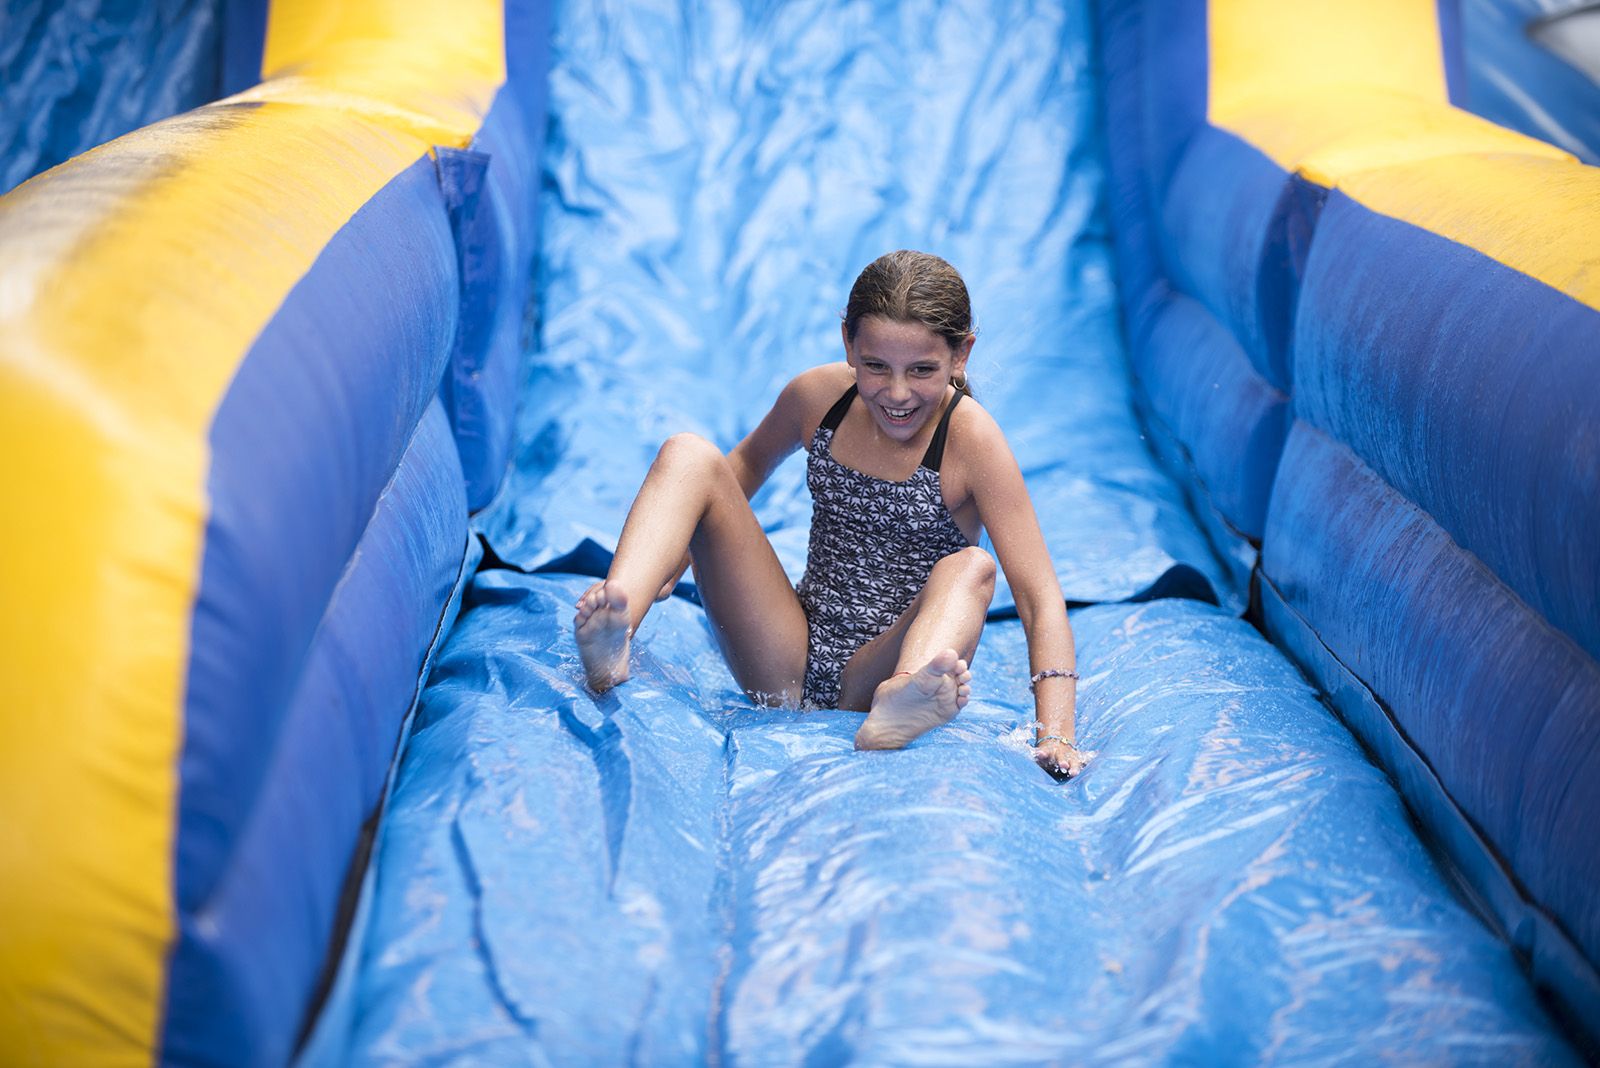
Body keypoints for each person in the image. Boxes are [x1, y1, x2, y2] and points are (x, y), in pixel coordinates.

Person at [573, 250, 1085, 778]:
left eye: (922, 370)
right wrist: (678, 553)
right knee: (688, 453)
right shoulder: (819, 397)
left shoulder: (972, 440)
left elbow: (1038, 596)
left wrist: (1056, 734)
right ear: (848, 343)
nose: (898, 393)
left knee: (972, 567)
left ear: (962, 355)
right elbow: (742, 465)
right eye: (876, 366)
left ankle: (902, 702)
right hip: (785, 654)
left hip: (880, 672)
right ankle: (616, 630)